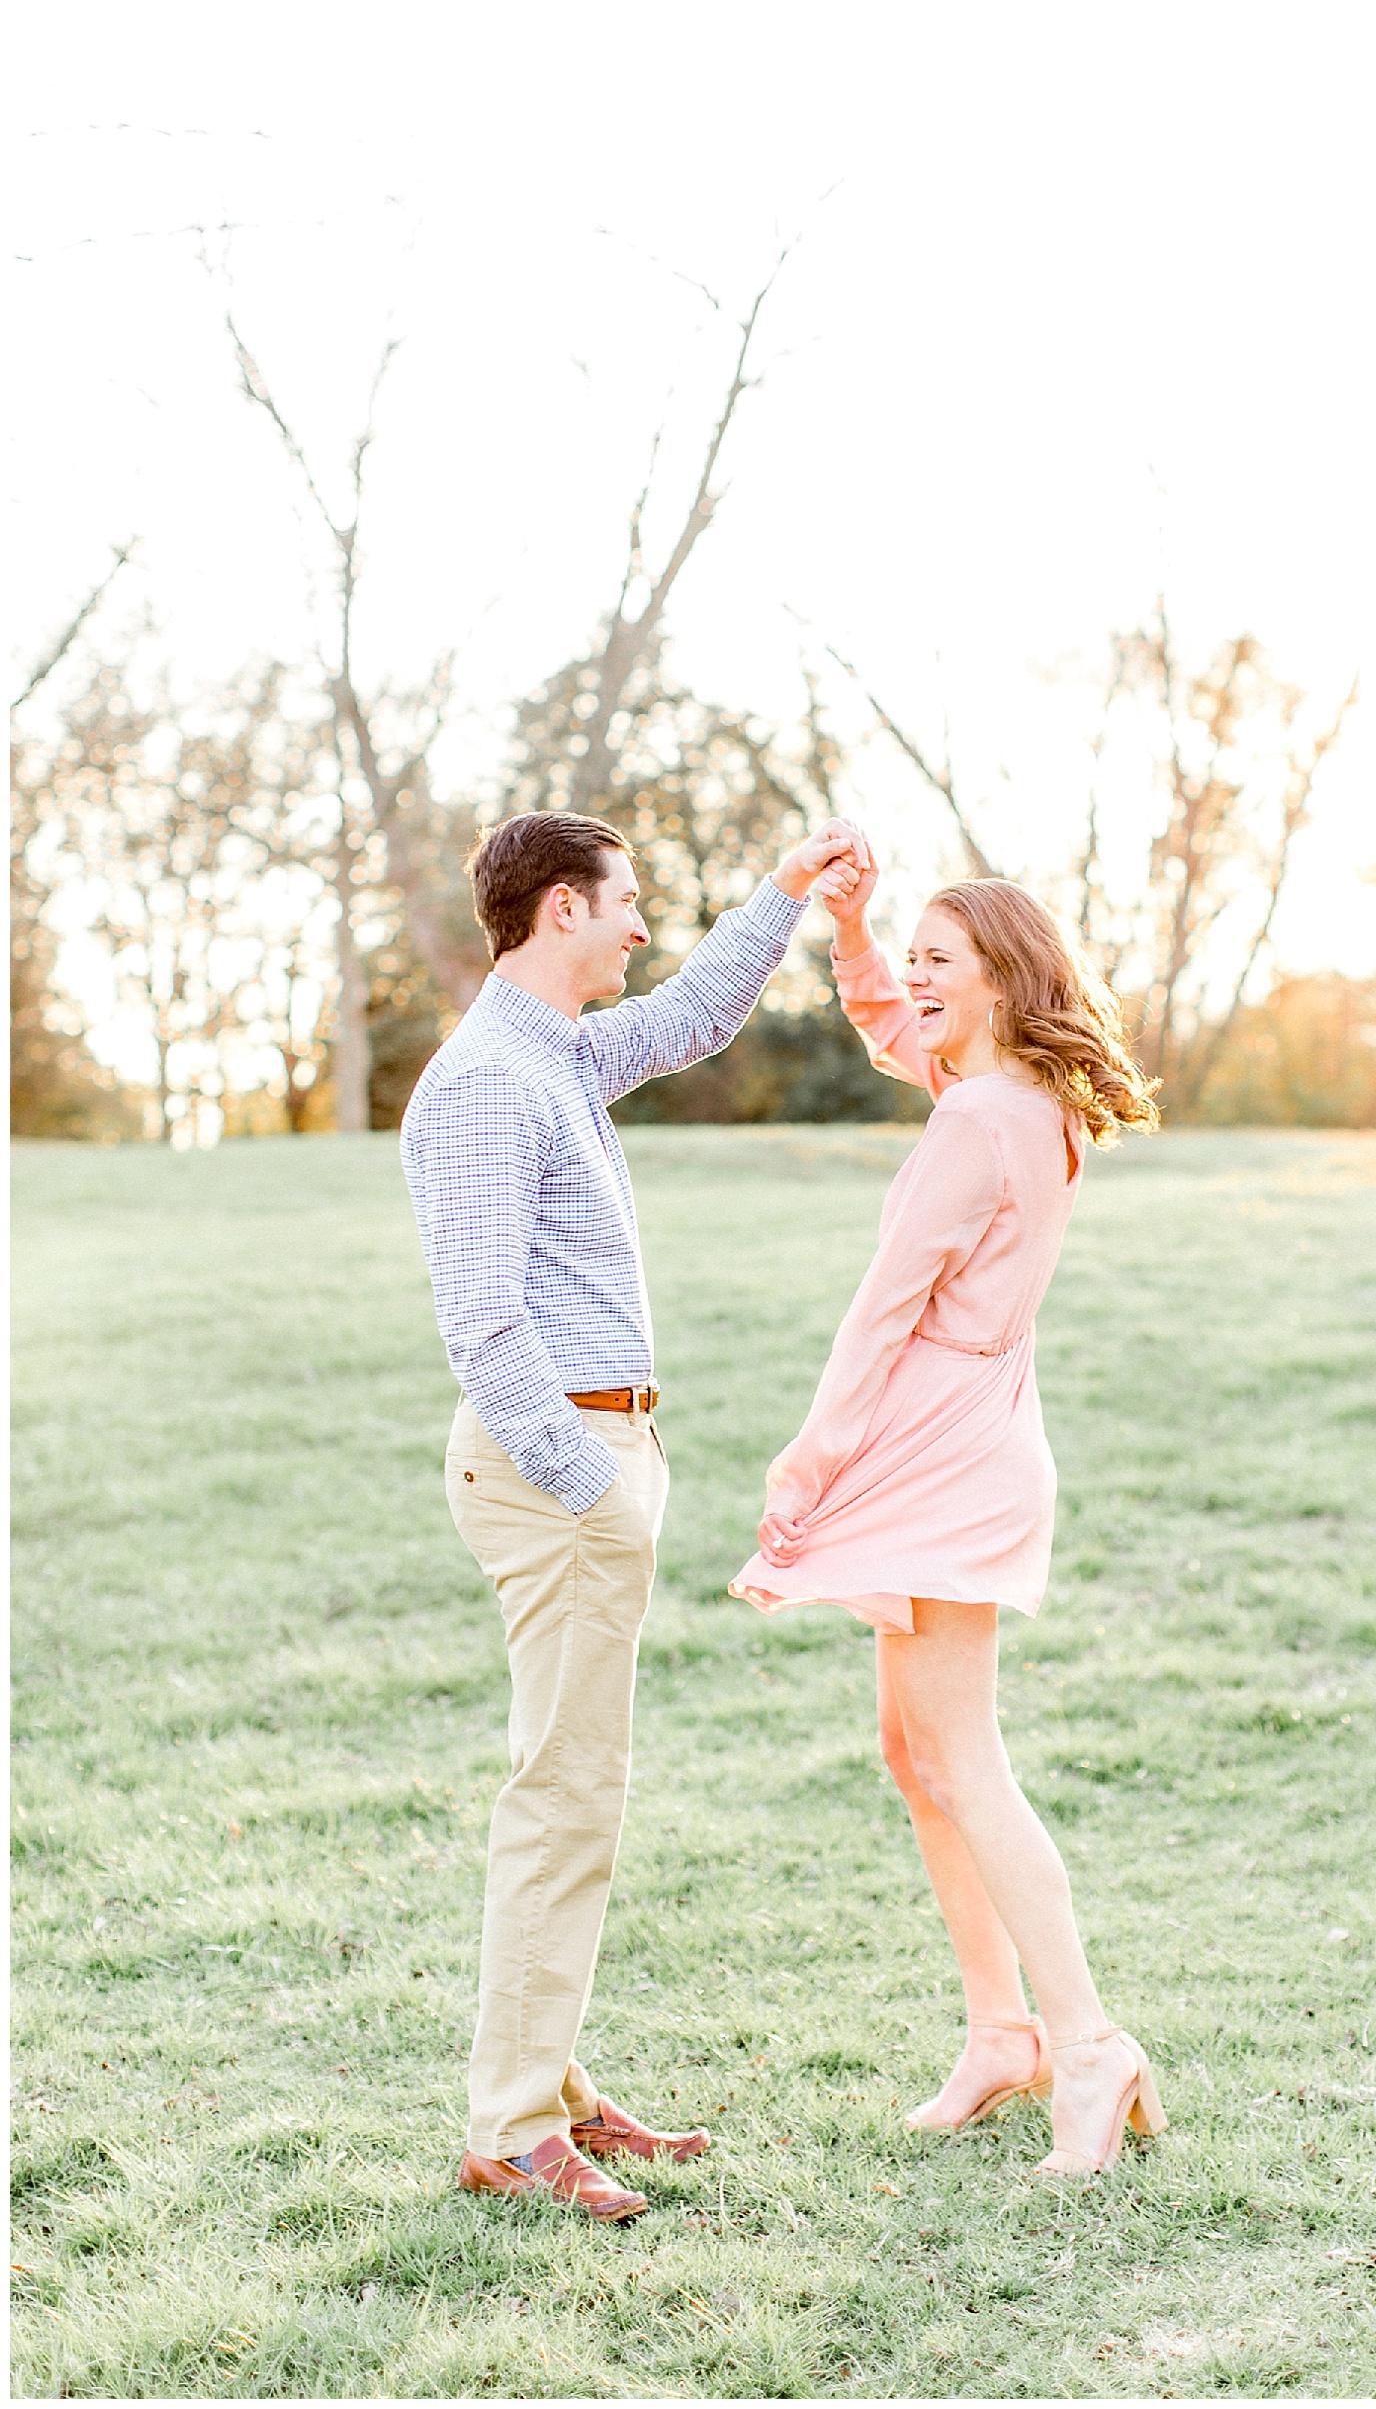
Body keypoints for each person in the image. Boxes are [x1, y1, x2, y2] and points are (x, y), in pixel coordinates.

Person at [401, 806, 868, 2222]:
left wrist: (786, 894)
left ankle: (548, 2078)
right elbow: (481, 1321)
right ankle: (513, 2123)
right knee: (563, 1795)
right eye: (627, 900)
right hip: (559, 1477)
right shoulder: (490, 1080)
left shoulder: (558, 1054)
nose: (642, 924)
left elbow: (692, 1015)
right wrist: (591, 1480)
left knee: (577, 1788)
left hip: (597, 1463)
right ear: (558, 909)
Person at [728, 852, 1167, 2177]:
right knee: (914, 1755)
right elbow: (891, 1030)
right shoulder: (1014, 1094)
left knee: (962, 1757)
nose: (912, 981)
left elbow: (885, 1302)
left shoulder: (979, 1119)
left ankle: (1087, 2044)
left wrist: (811, 1456)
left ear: (999, 979)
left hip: (943, 1448)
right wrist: (858, 935)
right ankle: (1001, 2031)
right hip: (960, 1437)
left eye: (938, 961)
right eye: (911, 958)